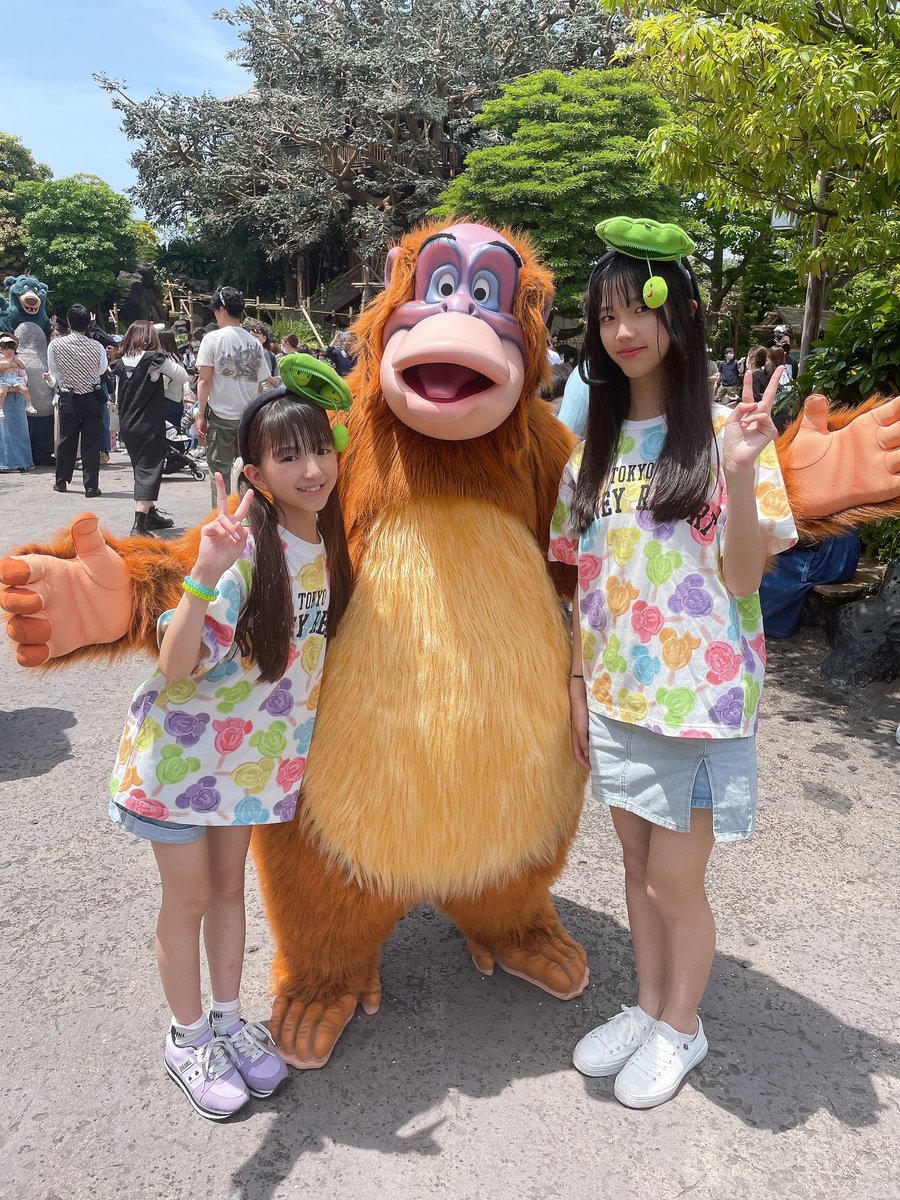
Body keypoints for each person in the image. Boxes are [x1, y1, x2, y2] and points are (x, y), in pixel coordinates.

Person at [550, 216, 797, 1109]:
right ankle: (649, 1005)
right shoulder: (592, 454)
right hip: (617, 695)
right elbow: (580, 582)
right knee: (632, 868)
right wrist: (576, 686)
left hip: (698, 700)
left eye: (639, 310)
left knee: (671, 880)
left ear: (680, 313)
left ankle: (682, 1026)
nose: (623, 331)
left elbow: (745, 576)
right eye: (606, 316)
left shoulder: (729, 435)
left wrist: (740, 470)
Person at [108, 382, 353, 1120]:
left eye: (320, 449)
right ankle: (186, 1039)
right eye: (289, 456)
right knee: (186, 900)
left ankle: (226, 1021)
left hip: (246, 767)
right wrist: (207, 571)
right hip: (179, 764)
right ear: (255, 473)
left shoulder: (327, 549)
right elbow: (176, 663)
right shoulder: (244, 551)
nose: (311, 468)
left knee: (227, 893)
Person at [196, 287, 278, 506]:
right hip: (248, 418)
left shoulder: (212, 339)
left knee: (219, 472)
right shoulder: (254, 342)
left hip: (221, 417)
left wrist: (200, 414)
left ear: (221, 310)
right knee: (248, 471)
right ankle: (250, 513)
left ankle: (221, 514)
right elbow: (261, 383)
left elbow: (204, 380)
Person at [112, 321, 185, 536]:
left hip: (128, 424)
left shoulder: (120, 363)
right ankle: (139, 524)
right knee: (150, 468)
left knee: (140, 468)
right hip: (148, 424)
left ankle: (151, 514)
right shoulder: (155, 359)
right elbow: (182, 375)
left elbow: (118, 396)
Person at [44, 304, 108, 496]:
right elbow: (102, 370)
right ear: (89, 323)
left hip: (68, 396)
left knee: (66, 439)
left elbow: (54, 370)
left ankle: (61, 481)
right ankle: (91, 486)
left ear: (69, 322)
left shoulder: (55, 345)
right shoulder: (97, 346)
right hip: (91, 397)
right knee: (92, 442)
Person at [0, 333, 34, 472]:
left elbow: (24, 377)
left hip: (16, 397)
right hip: (2, 398)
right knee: (4, 432)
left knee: (19, 430)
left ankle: (22, 462)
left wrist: (13, 386)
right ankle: (5, 463)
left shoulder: (17, 359)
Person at [158, 331, 192, 431]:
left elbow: (164, 383)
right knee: (176, 431)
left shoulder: (166, 359)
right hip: (177, 399)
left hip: (167, 399)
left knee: (169, 432)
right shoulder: (178, 357)